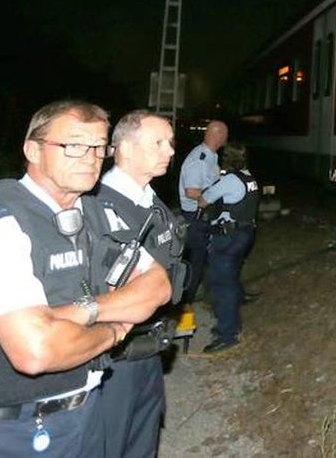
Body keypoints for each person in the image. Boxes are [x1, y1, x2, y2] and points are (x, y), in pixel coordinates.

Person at [0, 100, 171, 457]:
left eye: (99, 147)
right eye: (73, 145)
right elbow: (38, 351)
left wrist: (80, 312)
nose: (89, 157)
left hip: (83, 418)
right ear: (33, 150)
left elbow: (157, 285)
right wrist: (113, 330)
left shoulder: (99, 219)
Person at [92, 110, 187, 458]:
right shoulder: (98, 206)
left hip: (149, 348)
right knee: (110, 442)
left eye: (170, 143)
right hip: (113, 355)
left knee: (143, 439)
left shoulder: (151, 202)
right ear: (126, 149)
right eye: (158, 143)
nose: (170, 151)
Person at [198, 143, 261, 354]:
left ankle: (228, 335)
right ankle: (231, 322)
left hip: (228, 237)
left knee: (220, 285)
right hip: (245, 234)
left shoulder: (230, 180)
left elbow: (203, 201)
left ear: (227, 159)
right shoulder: (248, 177)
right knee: (231, 277)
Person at [176, 120, 227, 305]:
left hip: (205, 217)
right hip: (195, 219)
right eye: (225, 134)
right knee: (195, 264)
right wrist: (218, 196)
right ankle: (184, 304)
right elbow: (191, 191)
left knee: (204, 260)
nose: (226, 138)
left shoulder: (211, 157)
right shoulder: (200, 159)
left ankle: (198, 296)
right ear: (218, 135)